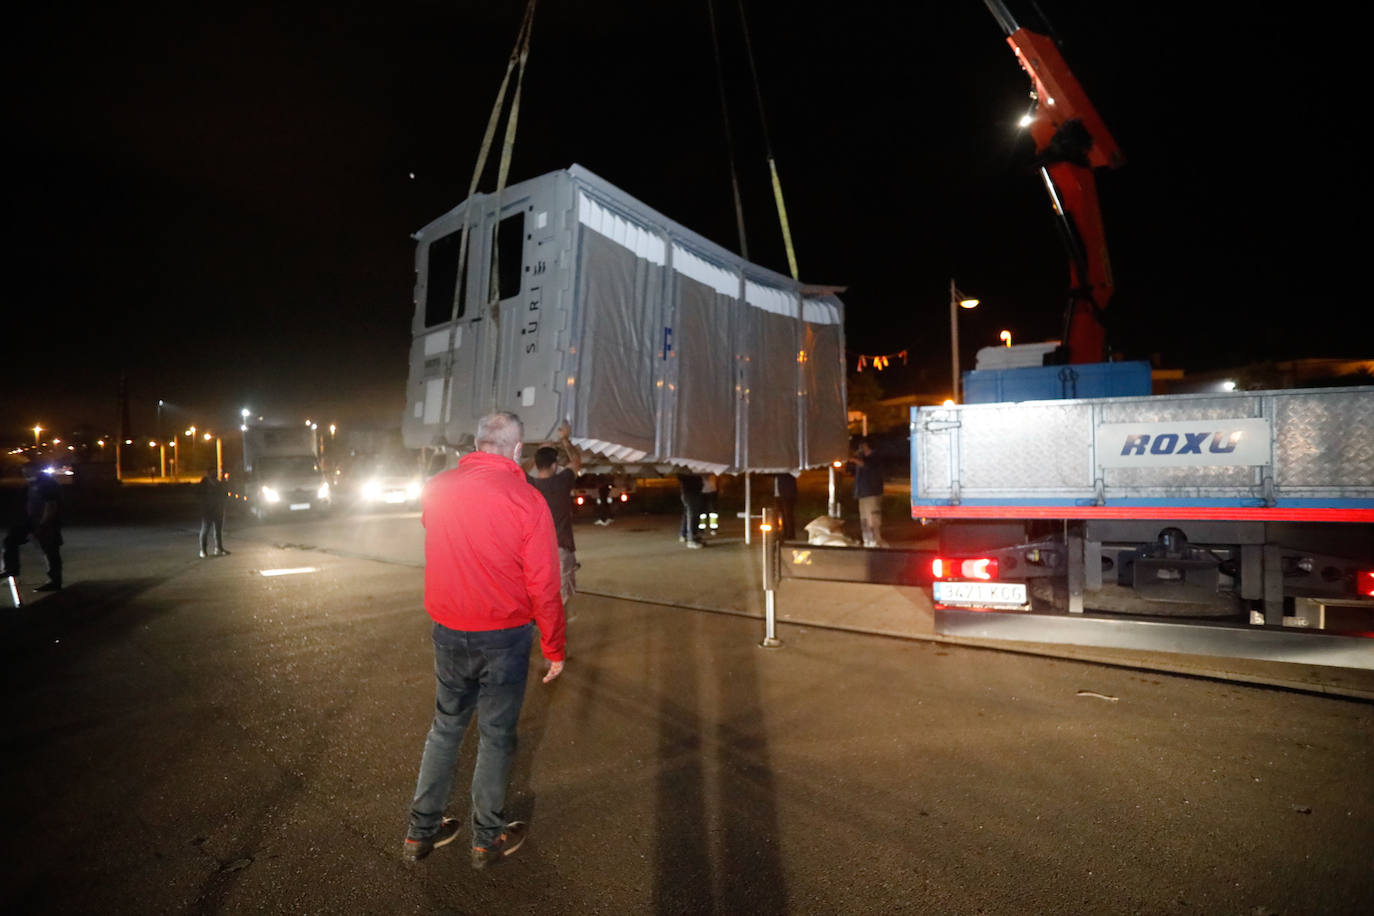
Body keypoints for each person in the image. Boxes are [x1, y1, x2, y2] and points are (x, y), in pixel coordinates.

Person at [404, 411, 566, 869]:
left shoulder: (437, 488)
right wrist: (554, 647)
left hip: (448, 629)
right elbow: (545, 585)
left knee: (445, 727)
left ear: (476, 445)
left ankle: (421, 832)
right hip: (504, 635)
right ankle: (486, 839)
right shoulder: (527, 499)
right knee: (495, 736)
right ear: (517, 450)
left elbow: (434, 528)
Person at [525, 420, 581, 608]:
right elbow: (576, 461)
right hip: (560, 548)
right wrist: (565, 440)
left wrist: (537, 454)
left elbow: (516, 470)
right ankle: (554, 633)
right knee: (560, 598)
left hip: (536, 551)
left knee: (540, 593)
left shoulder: (530, 485)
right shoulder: (562, 482)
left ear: (538, 465)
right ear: (555, 465)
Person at [1, 463, 63, 592]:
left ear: (35, 470)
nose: (25, 474)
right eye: (23, 472)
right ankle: (11, 568)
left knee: (50, 550)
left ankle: (55, 581)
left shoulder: (46, 483)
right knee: (10, 540)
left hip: (45, 522)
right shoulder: (35, 482)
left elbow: (51, 504)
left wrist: (43, 523)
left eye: (27, 471)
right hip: (32, 521)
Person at [851, 438, 888, 548]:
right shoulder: (862, 458)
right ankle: (867, 539)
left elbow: (866, 465)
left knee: (873, 517)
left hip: (872, 493)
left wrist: (853, 459)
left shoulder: (875, 458)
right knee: (864, 518)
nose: (860, 448)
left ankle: (876, 539)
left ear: (867, 446)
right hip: (862, 493)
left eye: (862, 446)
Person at [197, 471, 230, 558]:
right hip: (208, 511)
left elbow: (224, 495)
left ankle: (218, 548)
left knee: (218, 530)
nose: (214, 476)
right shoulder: (204, 485)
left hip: (217, 510)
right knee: (205, 530)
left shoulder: (218, 484)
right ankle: (203, 550)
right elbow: (199, 496)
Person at [676, 473, 705, 548]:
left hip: (690, 491)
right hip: (691, 492)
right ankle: (691, 539)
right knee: (693, 515)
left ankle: (685, 534)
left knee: (689, 514)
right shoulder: (688, 471)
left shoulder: (685, 470)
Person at [773, 471, 798, 541]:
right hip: (779, 494)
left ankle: (790, 534)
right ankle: (785, 532)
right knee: (782, 515)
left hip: (787, 494)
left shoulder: (787, 468)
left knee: (788, 515)